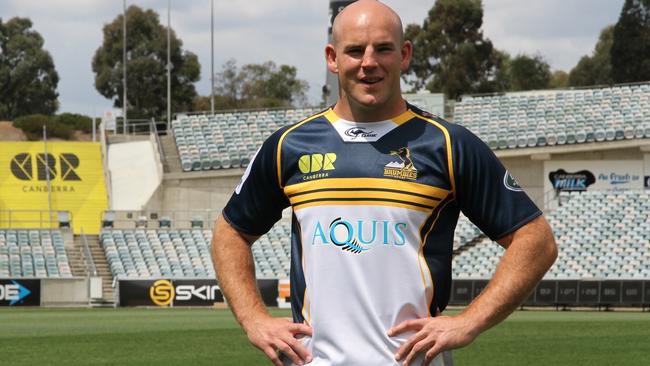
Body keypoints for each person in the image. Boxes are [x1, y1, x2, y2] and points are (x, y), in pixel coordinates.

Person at [211, 1, 558, 365]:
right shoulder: (289, 146)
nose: (369, 62)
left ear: (404, 54)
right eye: (355, 51)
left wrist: (470, 322)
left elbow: (536, 240)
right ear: (332, 58)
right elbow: (230, 233)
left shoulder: (448, 145)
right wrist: (254, 319)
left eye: (383, 48)